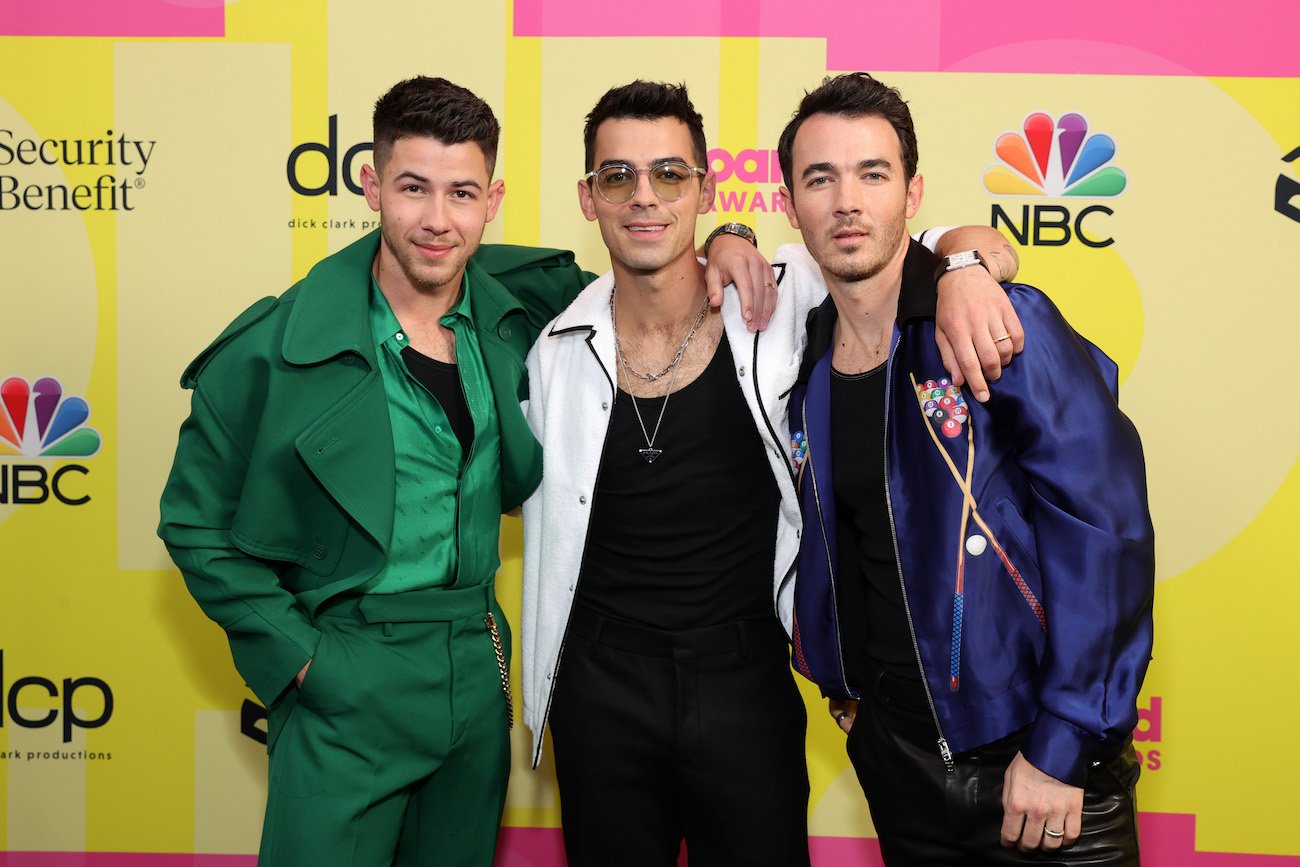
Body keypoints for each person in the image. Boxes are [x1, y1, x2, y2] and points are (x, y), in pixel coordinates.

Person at [156, 75, 775, 866]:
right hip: (346, 669)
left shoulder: (524, 306)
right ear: (371, 184)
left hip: (476, 677)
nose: (438, 220)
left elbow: (654, 260)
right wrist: (303, 658)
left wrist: (731, 237)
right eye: (413, 188)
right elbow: (193, 522)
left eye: (462, 192)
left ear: (493, 199)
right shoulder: (277, 345)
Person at [520, 80, 1023, 866]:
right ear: (588, 198)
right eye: (617, 176)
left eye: (670, 174)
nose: (643, 197)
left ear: (707, 185)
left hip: (745, 678)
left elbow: (916, 243)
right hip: (601, 686)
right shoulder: (554, 350)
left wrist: (960, 260)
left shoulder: (781, 296)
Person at [779, 72, 1154, 865]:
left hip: (1041, 776)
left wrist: (1063, 742)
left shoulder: (999, 324)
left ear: (913, 193)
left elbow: (1107, 530)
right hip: (899, 769)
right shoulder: (808, 359)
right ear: (789, 203)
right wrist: (843, 684)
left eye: (872, 174)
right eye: (821, 178)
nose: (848, 200)